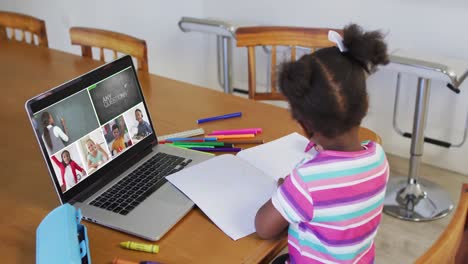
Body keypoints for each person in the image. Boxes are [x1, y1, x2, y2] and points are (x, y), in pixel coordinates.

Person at [255, 24, 390, 264]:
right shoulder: (379, 157)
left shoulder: (306, 182)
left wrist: (285, 191)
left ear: (304, 124)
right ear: (365, 104)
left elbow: (263, 228)